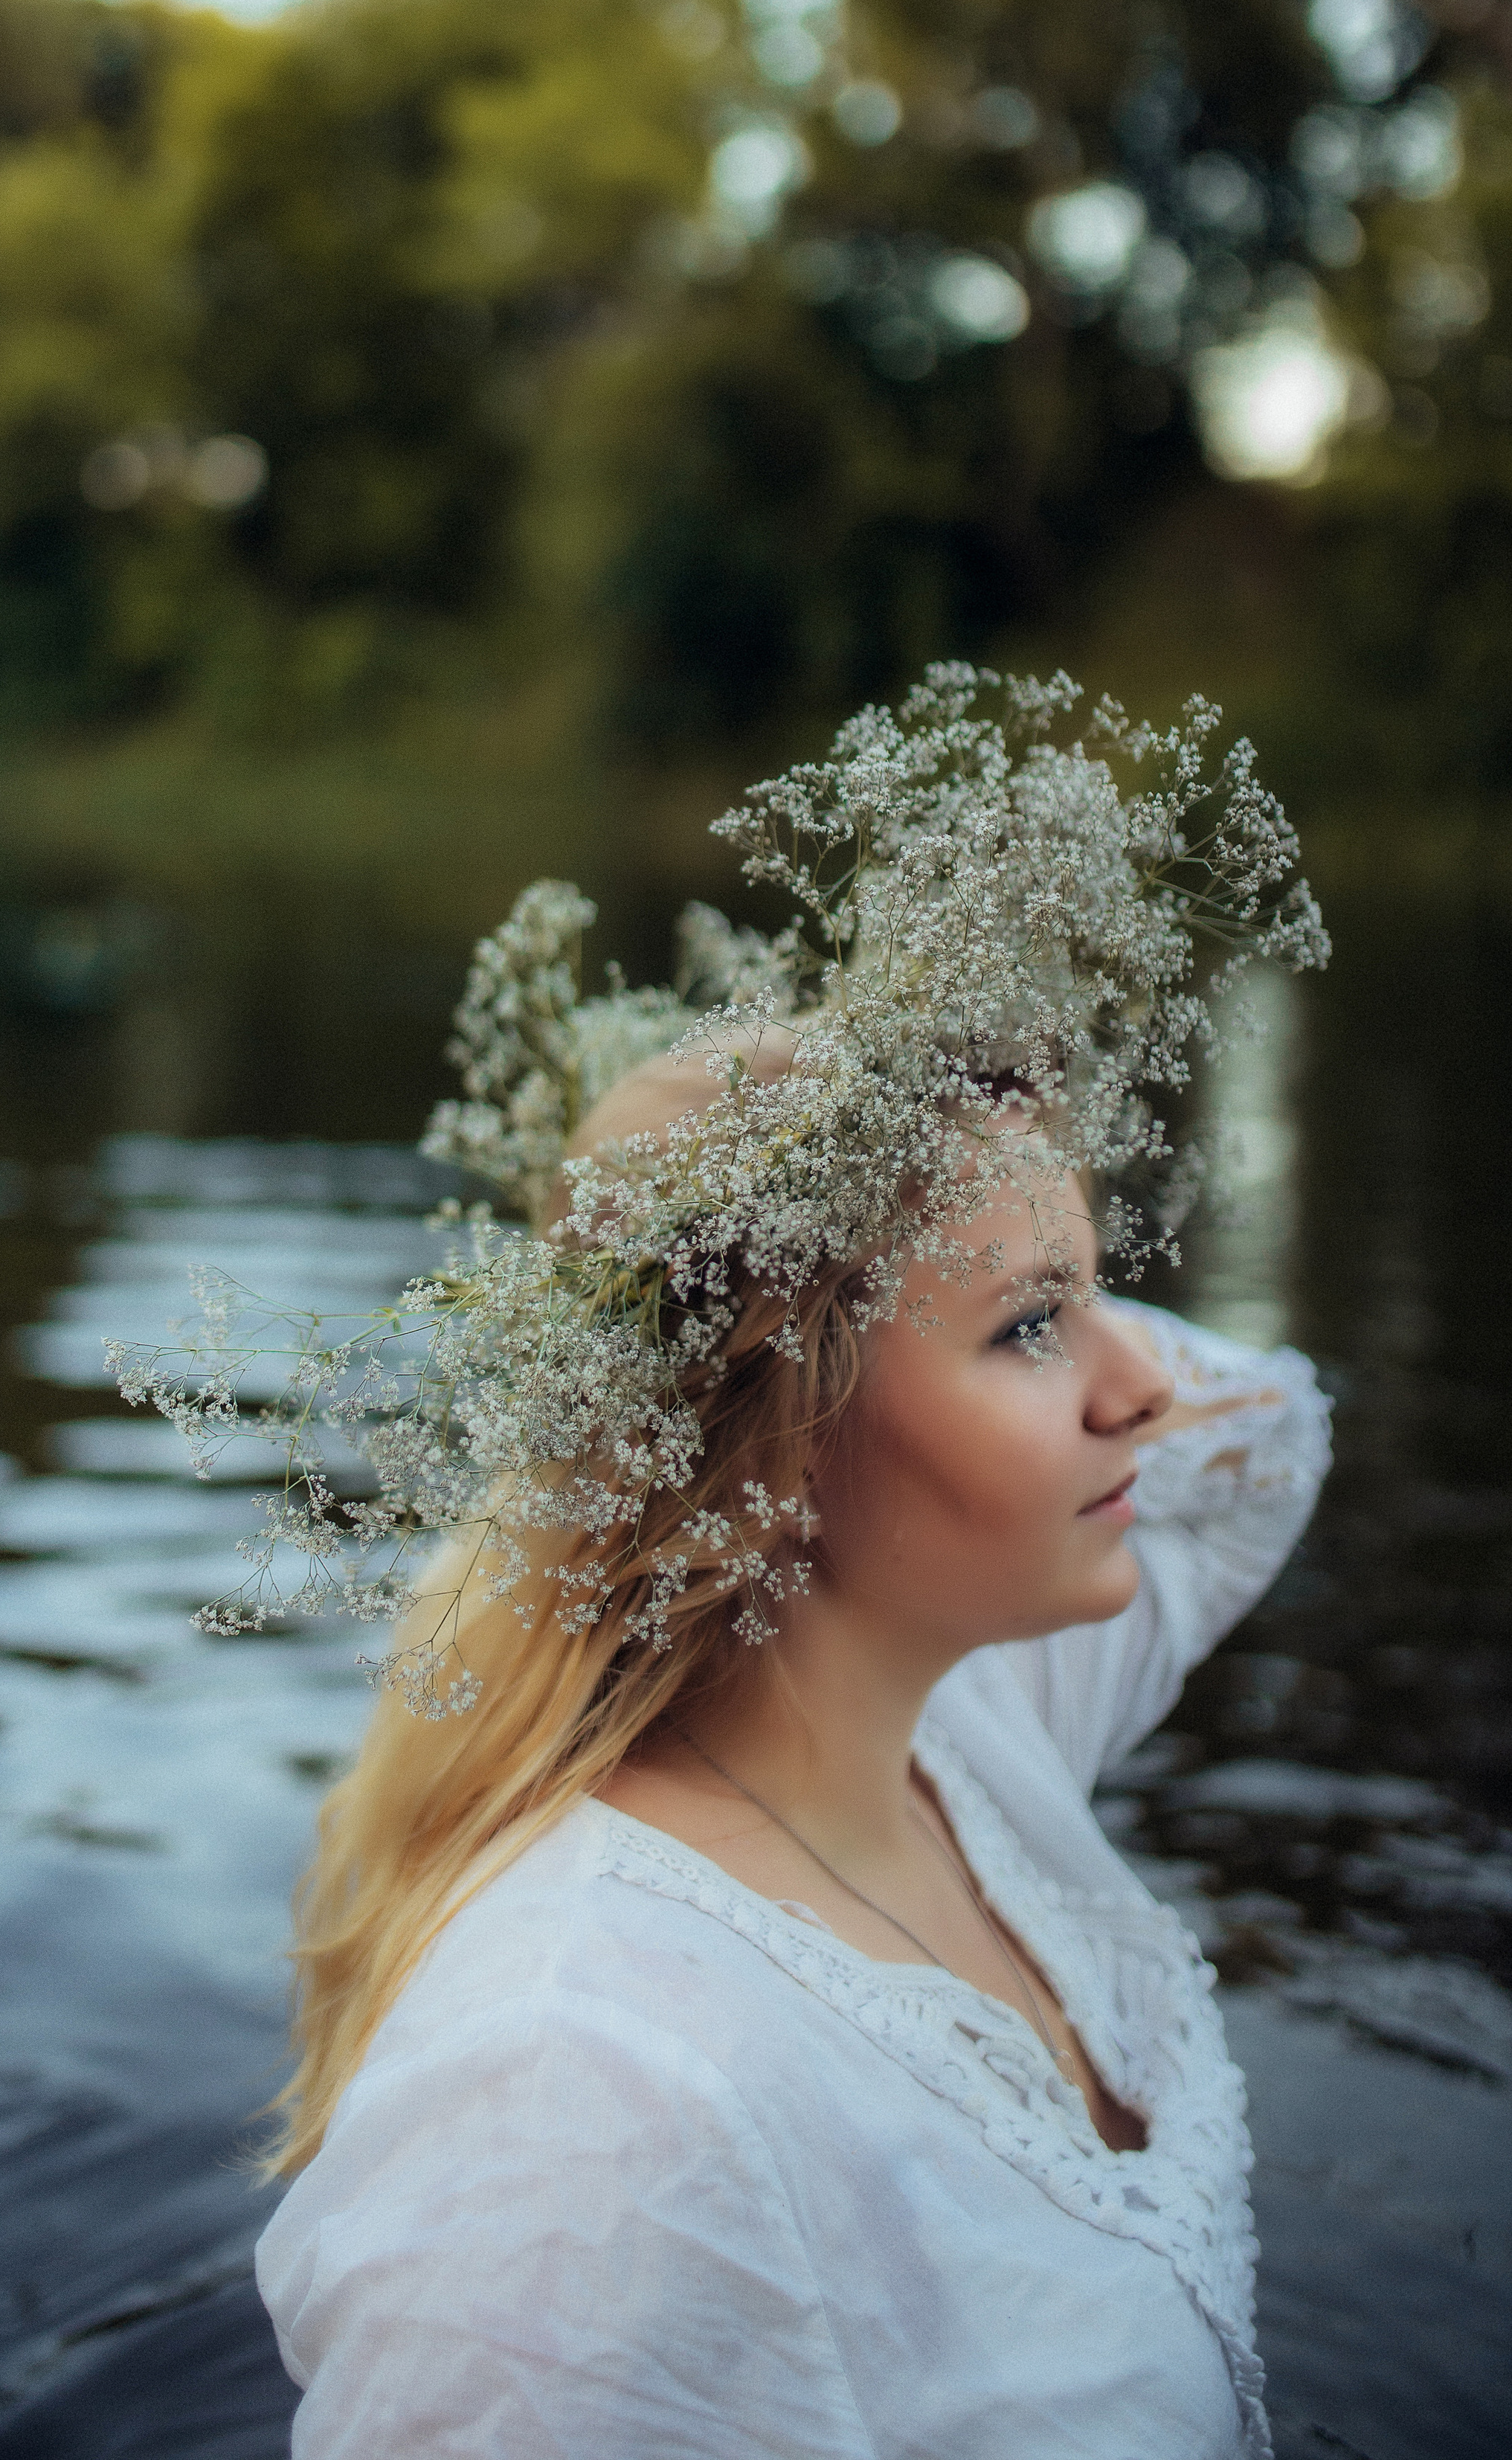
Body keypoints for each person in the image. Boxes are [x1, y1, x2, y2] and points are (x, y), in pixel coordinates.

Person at [129, 672, 1333, 2457]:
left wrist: (907, 1160)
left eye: (1100, 1302)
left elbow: (1264, 1443)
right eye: (1030, 1330)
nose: (1143, 1386)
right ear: (775, 1440)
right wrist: (735, 1273)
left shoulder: (967, 1735)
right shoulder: (582, 2099)